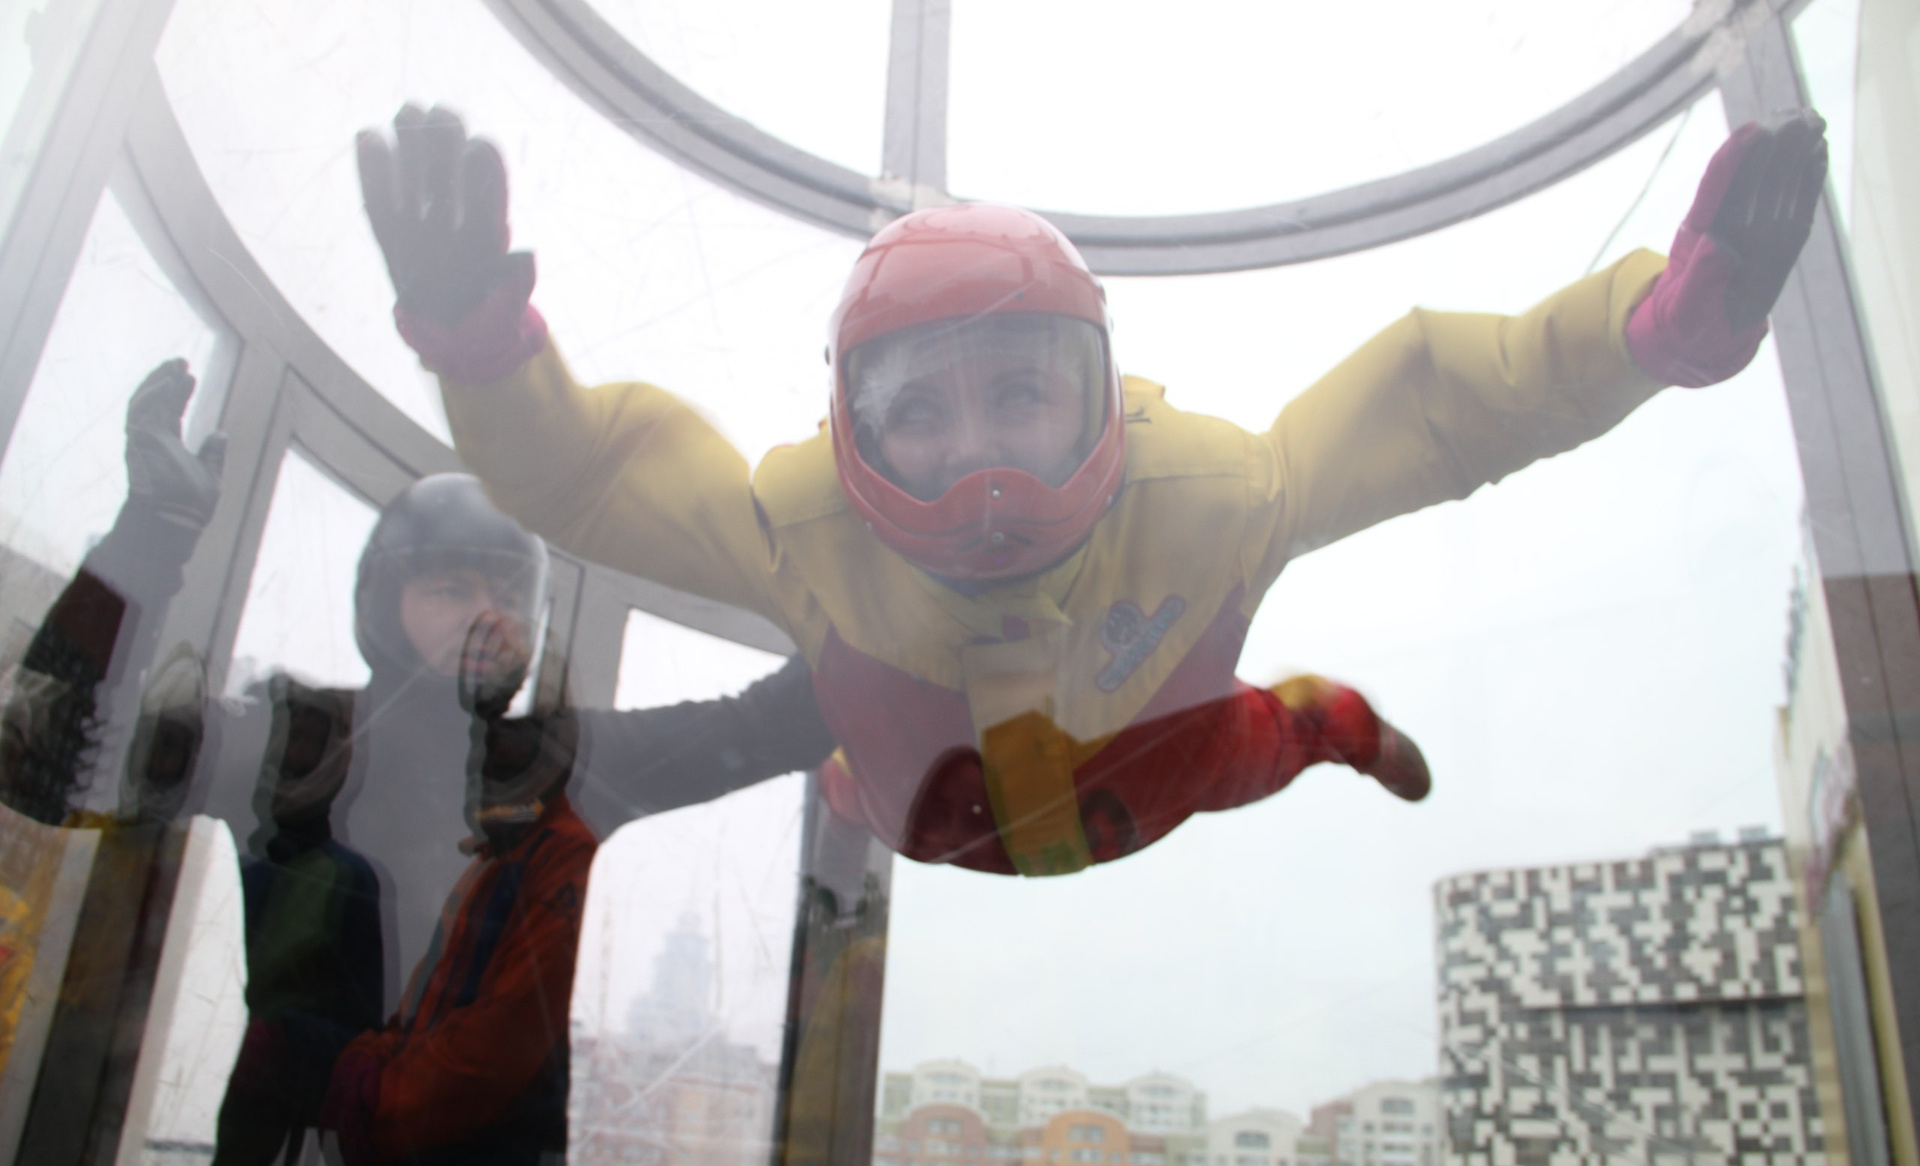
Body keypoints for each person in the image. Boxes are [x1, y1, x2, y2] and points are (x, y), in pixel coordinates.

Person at [355, 105, 1826, 878]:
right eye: (919, 409)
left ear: (1098, 391)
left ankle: (1342, 726)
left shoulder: (1210, 493)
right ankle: (856, 784)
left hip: (1140, 770)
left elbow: (1441, 401)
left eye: (1019, 392)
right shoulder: (806, 526)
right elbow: (596, 473)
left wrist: (1648, 332)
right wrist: (488, 348)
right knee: (892, 771)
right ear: (850, 426)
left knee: (1284, 733)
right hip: (973, 794)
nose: (977, 457)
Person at [0, 361, 837, 1166]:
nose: (487, 616)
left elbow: (768, 726)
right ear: (382, 603)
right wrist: (146, 537)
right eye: (450, 588)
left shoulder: (559, 764)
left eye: (509, 596)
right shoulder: (295, 743)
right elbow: (45, 762)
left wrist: (885, 586)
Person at [319, 632, 591, 1166]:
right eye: (483, 723)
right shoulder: (498, 863)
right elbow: (424, 1013)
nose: (490, 744)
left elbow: (495, 1051)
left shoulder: (562, 860)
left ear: (555, 739)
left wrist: (380, 1103)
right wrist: (369, 1058)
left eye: (512, 727)